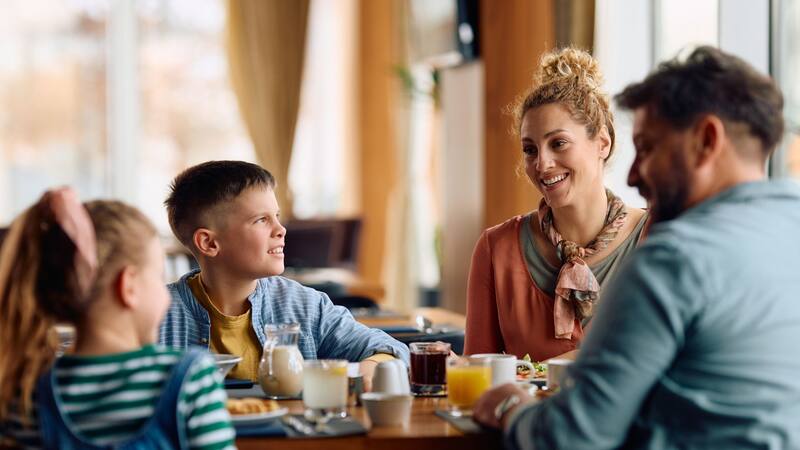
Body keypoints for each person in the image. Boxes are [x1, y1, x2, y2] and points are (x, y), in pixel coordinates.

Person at [473, 46, 800, 449]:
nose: (632, 174)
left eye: (646, 149)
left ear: (707, 141)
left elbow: (572, 437)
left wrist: (510, 409)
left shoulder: (672, 259)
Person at [0, 189, 234, 449]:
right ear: (129, 286)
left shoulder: (25, 394)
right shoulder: (191, 377)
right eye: (158, 277)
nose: (166, 296)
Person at [158, 160, 409, 390]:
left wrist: (372, 366)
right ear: (209, 243)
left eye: (276, 217)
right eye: (261, 220)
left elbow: (392, 349)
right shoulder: (157, 316)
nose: (281, 229)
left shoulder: (304, 306)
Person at [464, 47, 647, 361]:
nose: (542, 164)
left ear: (602, 143)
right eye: (530, 149)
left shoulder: (657, 237)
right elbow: (478, 376)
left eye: (558, 143)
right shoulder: (496, 248)